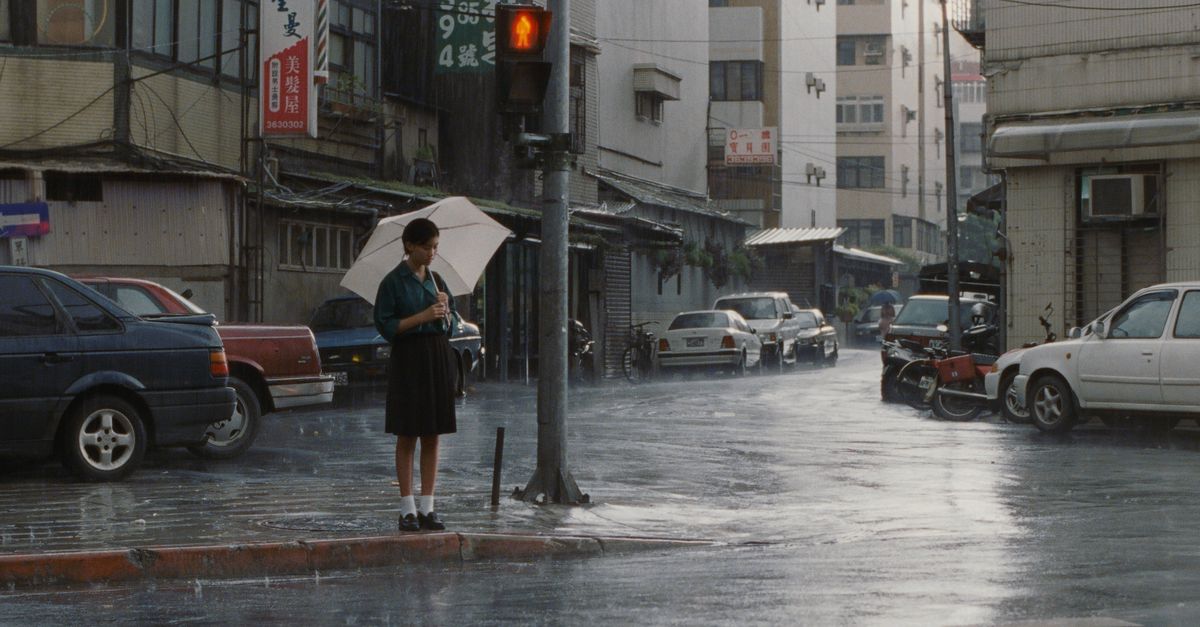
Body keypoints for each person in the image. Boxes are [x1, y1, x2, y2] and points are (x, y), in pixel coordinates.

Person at [373, 218, 457, 532]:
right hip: (409, 357)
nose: (432, 252)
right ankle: (406, 507)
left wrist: (446, 311)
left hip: (436, 355)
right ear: (410, 246)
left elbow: (451, 325)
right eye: (426, 247)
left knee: (432, 433)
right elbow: (386, 325)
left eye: (435, 247)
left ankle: (428, 507)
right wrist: (422, 316)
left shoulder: (437, 280)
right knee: (407, 433)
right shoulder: (393, 282)